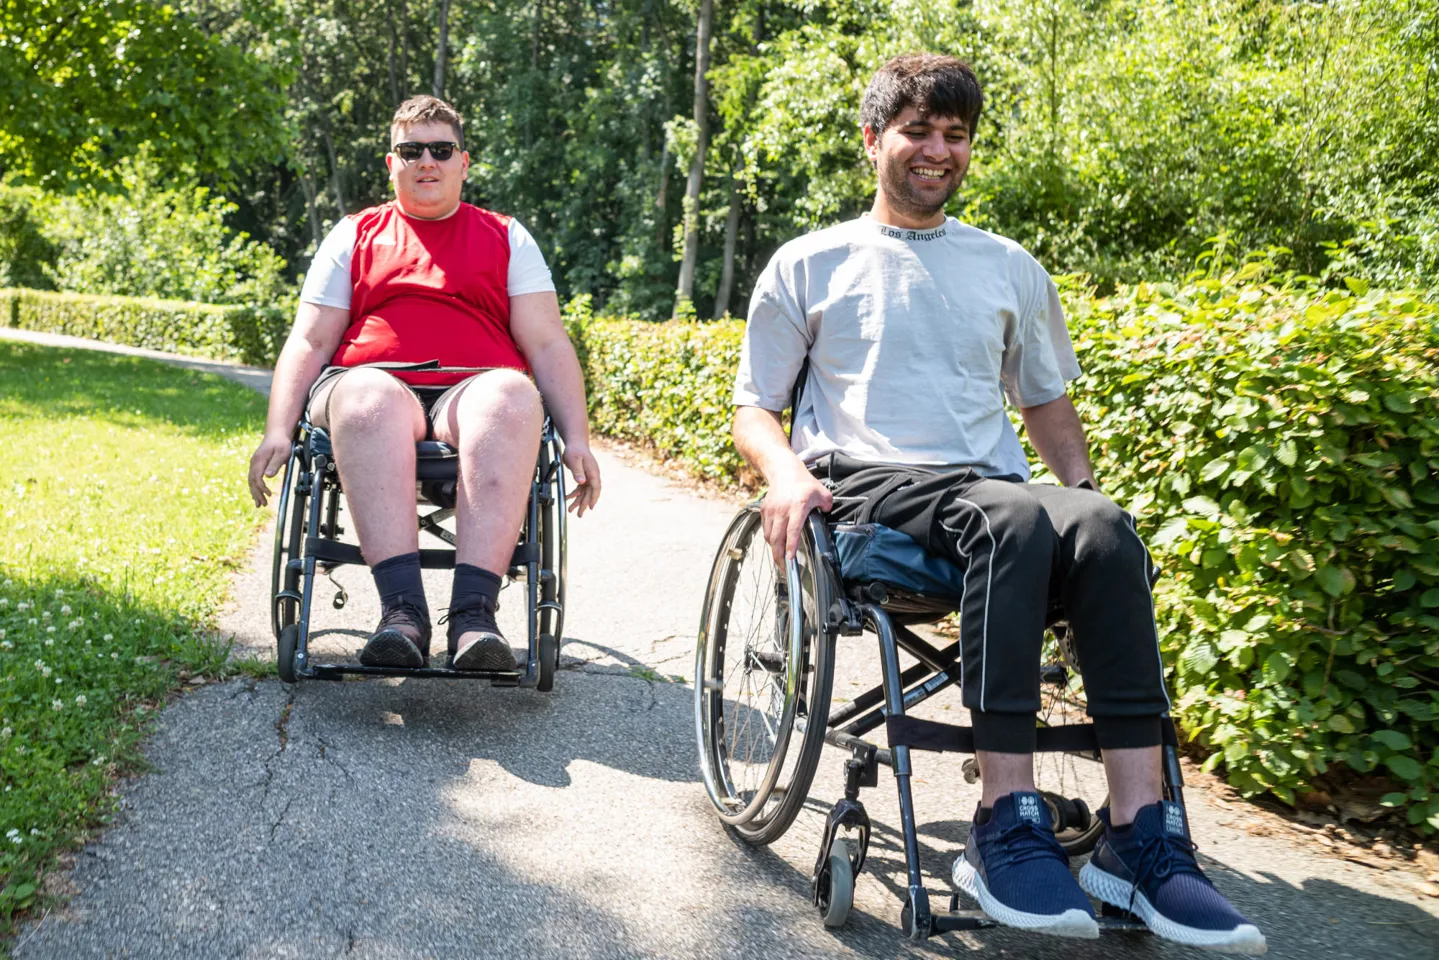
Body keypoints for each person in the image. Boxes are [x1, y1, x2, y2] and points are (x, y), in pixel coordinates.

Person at [731, 54, 1265, 953]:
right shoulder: (808, 262)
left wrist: (1083, 497)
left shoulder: (1009, 267)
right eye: (917, 132)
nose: (938, 151)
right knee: (1012, 516)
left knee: (1100, 527)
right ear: (873, 141)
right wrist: (785, 474)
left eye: (956, 136)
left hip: (986, 489)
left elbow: (1044, 402)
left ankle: (1141, 836)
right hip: (866, 483)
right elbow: (756, 406)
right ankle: (1003, 819)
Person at [248, 95, 600, 673]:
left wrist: (578, 440)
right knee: (368, 399)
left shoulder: (507, 237)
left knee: (513, 396)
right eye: (412, 151)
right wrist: (278, 431)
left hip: (475, 387)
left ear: (464, 161)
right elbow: (310, 340)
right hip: (369, 381)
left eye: (441, 149)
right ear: (393, 164)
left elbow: (546, 343)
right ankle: (402, 615)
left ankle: (474, 619)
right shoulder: (354, 234)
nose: (427, 161)